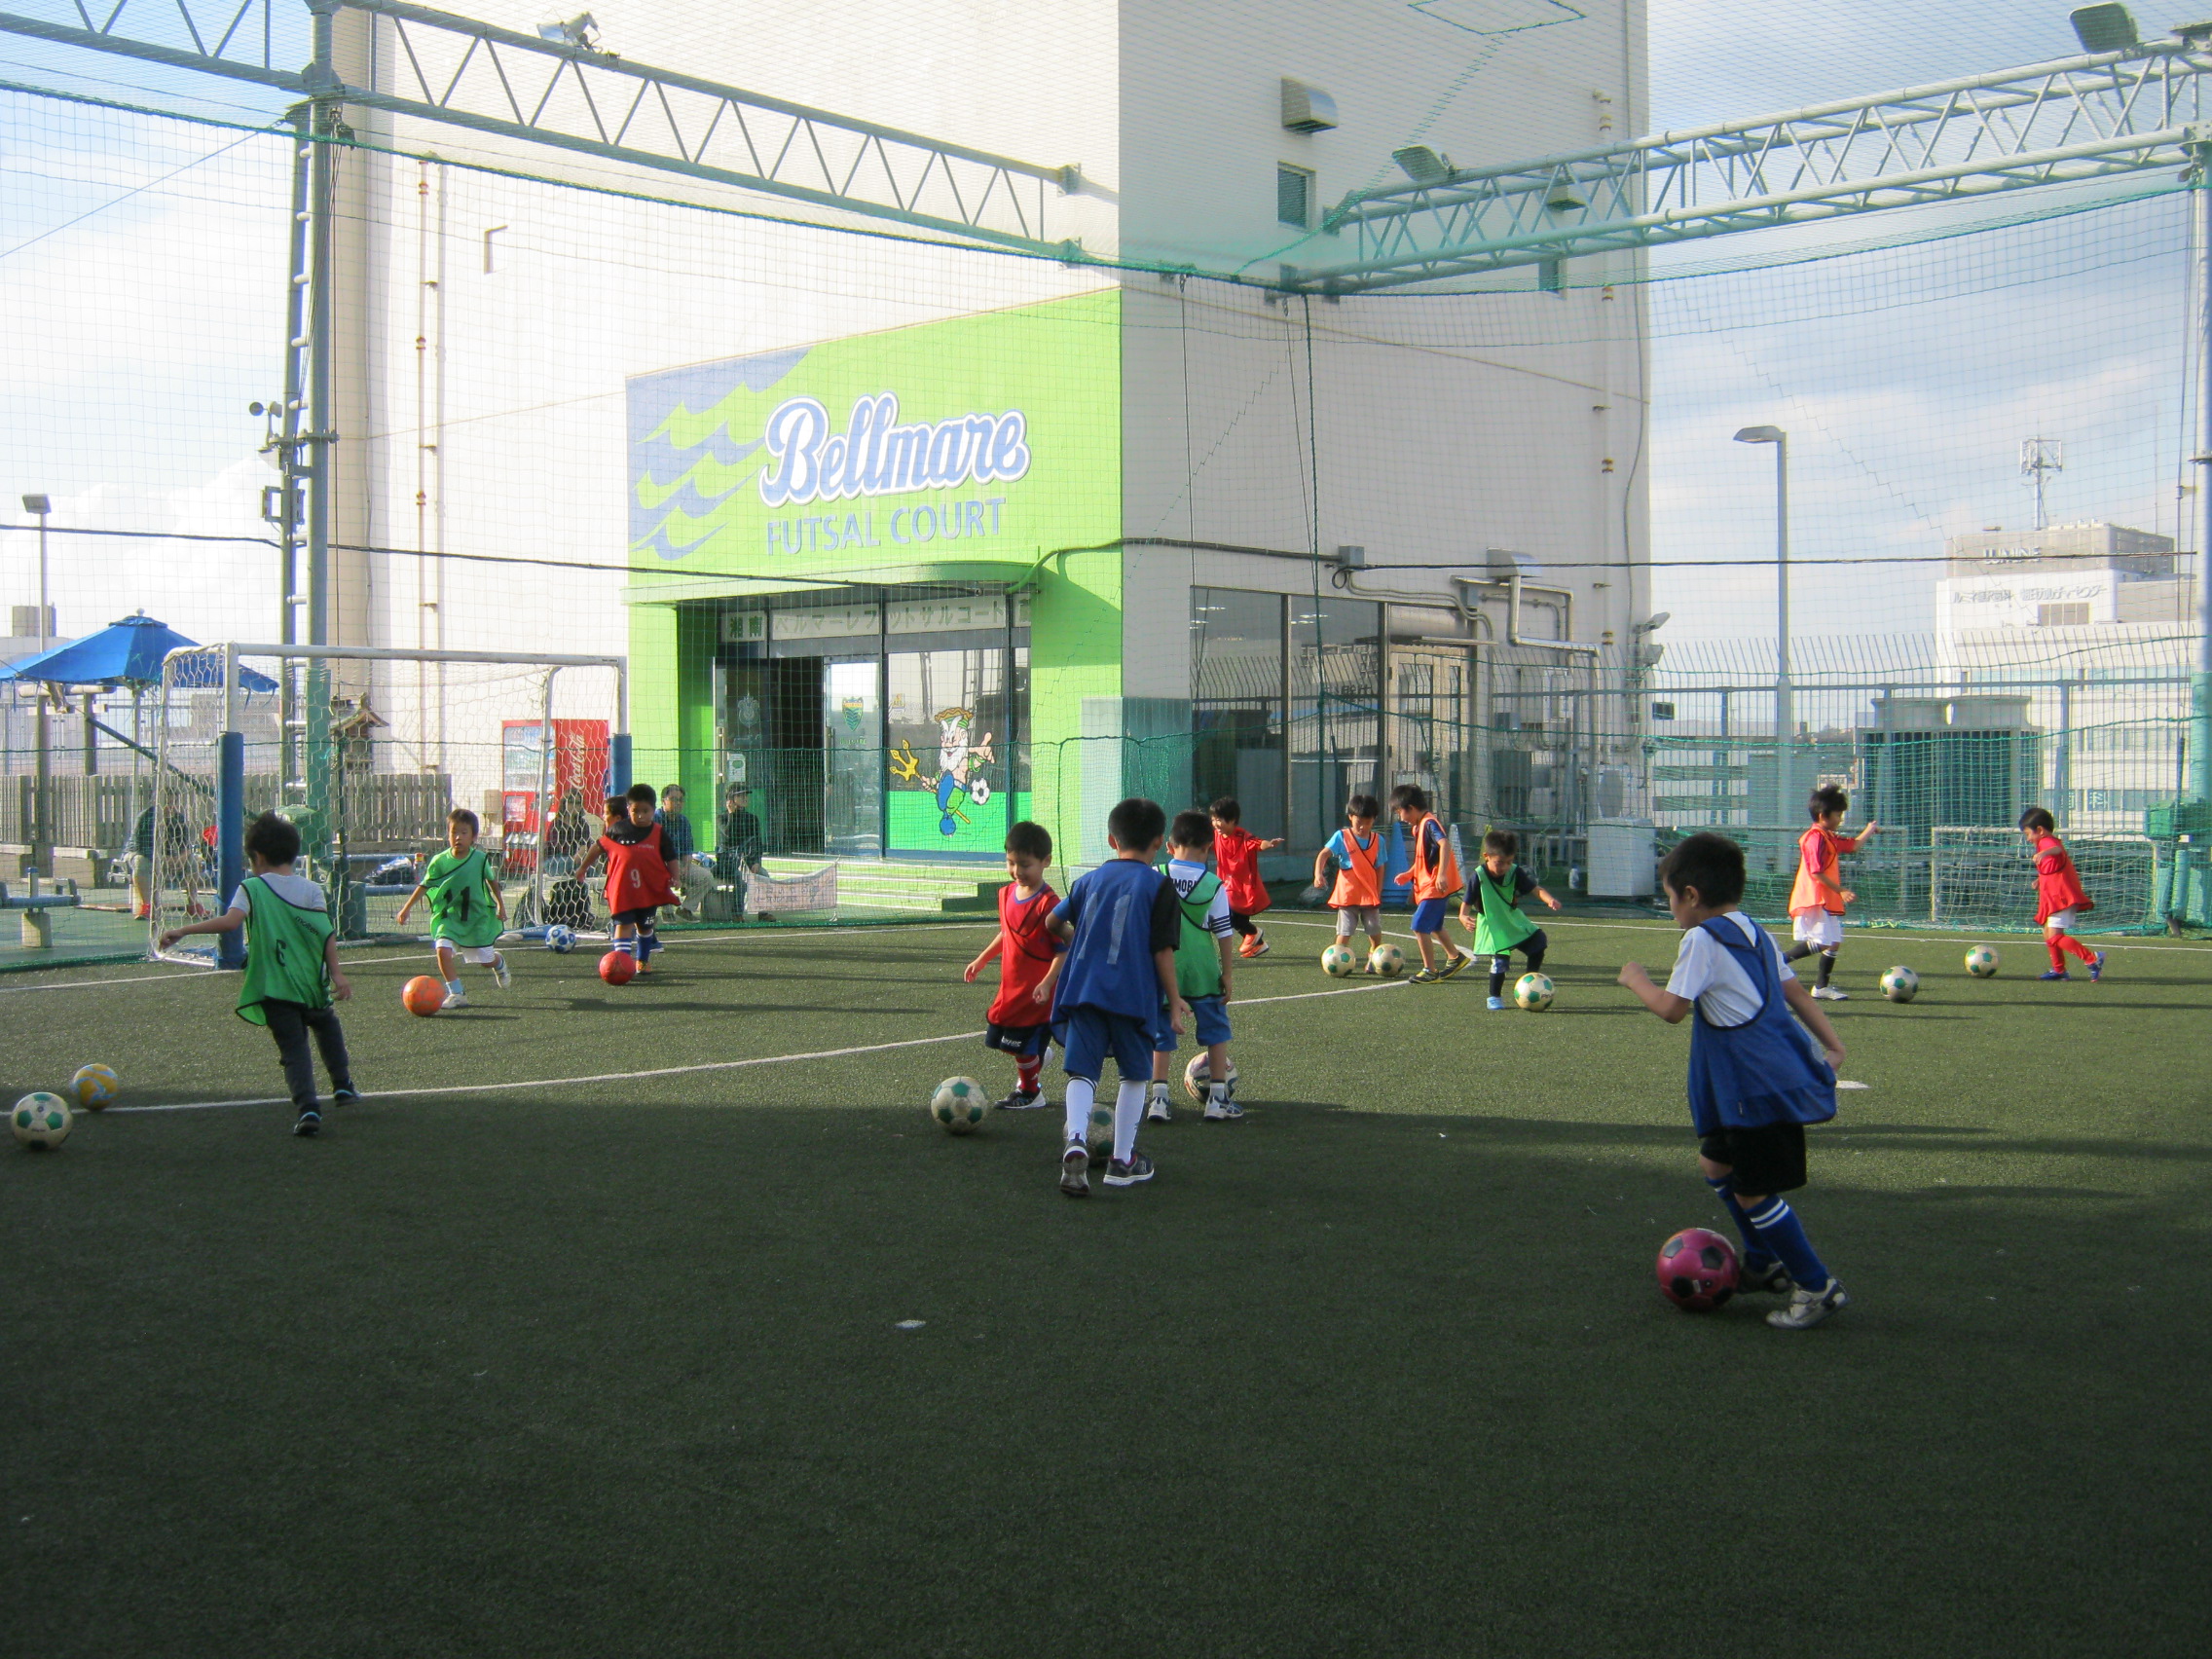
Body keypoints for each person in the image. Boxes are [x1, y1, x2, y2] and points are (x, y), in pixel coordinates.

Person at [1617, 831, 1850, 1331]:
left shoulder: (1701, 939)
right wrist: (1834, 1045)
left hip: (1753, 1090)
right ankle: (1763, 1260)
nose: (1671, 909)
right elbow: (1796, 993)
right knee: (1716, 1164)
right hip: (1760, 1084)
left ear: (1691, 895)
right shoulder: (1756, 931)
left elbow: (1672, 1010)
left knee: (1753, 1193)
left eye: (1670, 898)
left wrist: (1637, 981)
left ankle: (1816, 1286)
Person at [157, 811, 356, 1137]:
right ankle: (342, 1084)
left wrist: (184, 930)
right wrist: (337, 974)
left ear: (258, 858)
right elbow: (325, 934)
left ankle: (308, 1108)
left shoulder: (252, 888)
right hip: (311, 983)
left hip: (275, 987)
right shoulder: (312, 890)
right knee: (327, 1027)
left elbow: (229, 923)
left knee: (294, 1050)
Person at [1044, 796, 1184, 1198]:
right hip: (1131, 995)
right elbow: (1162, 951)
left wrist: (1078, 937)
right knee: (1135, 1074)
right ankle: (1122, 1161)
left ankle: (1075, 1139)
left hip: (1084, 990)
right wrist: (1174, 1001)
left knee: (1082, 1072)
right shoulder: (1159, 886)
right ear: (1158, 843)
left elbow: (1052, 921)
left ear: (1111, 840)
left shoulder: (1088, 881)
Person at [962, 820, 1062, 1111]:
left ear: (1045, 862)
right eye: (1011, 863)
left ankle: (1031, 1093)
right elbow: (1006, 933)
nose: (1017, 871)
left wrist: (1047, 982)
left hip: (1037, 994)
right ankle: (1037, 1057)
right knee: (1002, 1041)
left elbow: (1063, 950)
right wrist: (982, 959)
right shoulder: (1006, 894)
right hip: (1011, 989)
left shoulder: (1049, 904)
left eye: (1025, 865)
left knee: (1020, 1044)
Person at [1149, 810, 1238, 1124]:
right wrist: (1227, 973)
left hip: (1164, 971)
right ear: (1208, 847)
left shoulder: (1155, 875)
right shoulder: (1213, 884)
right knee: (1216, 1030)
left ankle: (1159, 1099)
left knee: (1161, 1033)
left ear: (1169, 846)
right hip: (1203, 971)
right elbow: (1224, 933)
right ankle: (1217, 1099)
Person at [392, 807, 509, 1012]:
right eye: (454, 832)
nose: (458, 837)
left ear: (473, 837)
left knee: (486, 961)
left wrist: (500, 904)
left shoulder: (479, 859)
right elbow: (425, 885)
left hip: (475, 919)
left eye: (464, 832)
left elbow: (492, 881)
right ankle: (457, 993)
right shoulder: (440, 861)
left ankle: (498, 963)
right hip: (448, 917)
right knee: (442, 949)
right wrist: (406, 908)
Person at [1784, 785, 1881, 1002]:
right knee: (1823, 942)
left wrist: (1870, 829)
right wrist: (1842, 890)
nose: (1840, 819)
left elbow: (1853, 846)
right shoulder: (1814, 838)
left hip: (1826, 898)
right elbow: (1816, 872)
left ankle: (1821, 988)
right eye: (1838, 815)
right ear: (1823, 815)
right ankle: (1776, 963)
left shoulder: (1827, 836)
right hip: (1814, 898)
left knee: (1833, 941)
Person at [575, 784, 678, 971]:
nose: (640, 815)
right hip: (622, 891)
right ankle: (620, 963)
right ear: (628, 809)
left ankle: (642, 961)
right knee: (623, 924)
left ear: (653, 810)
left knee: (645, 928)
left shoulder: (659, 833)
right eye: (635, 811)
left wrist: (675, 877)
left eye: (645, 811)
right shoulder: (618, 830)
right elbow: (598, 847)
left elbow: (671, 857)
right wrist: (583, 868)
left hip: (648, 892)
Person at [1460, 829, 1562, 1011]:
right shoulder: (1479, 876)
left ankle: (1531, 981)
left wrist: (1549, 900)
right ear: (1486, 857)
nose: (1505, 867)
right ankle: (1494, 997)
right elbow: (1467, 901)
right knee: (1500, 961)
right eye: (1500, 863)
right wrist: (1463, 916)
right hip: (1493, 926)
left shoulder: (1515, 872)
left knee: (1538, 941)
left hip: (1512, 919)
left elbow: (1535, 889)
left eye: (1509, 862)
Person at [1389, 784, 1466, 983]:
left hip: (1435, 886)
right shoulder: (1419, 827)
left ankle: (1430, 970)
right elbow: (1425, 858)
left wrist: (1441, 875)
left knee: (1419, 925)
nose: (1401, 818)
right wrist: (1409, 873)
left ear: (1411, 808)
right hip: (1429, 886)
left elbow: (1444, 844)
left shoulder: (1429, 823)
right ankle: (1455, 956)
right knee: (1435, 925)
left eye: (1399, 812)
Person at [2020, 806, 2104, 981]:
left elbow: (2057, 849)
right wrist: (2040, 880)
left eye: (2028, 834)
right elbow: (2053, 870)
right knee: (2048, 934)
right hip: (2053, 898)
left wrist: (2044, 852)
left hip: (2061, 898)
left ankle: (2092, 958)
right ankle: (2059, 970)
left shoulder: (2047, 842)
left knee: (2055, 936)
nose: (2028, 839)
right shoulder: (2042, 844)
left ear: (2040, 830)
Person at [1312, 793, 1386, 967]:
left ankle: (1374, 955)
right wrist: (1318, 874)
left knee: (1374, 930)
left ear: (1374, 819)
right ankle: (1336, 961)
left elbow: (1380, 867)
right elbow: (1324, 854)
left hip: (1369, 895)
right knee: (1345, 931)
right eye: (1358, 822)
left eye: (1367, 822)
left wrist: (1378, 891)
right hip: (1347, 895)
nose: (1362, 827)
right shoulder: (1342, 836)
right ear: (1350, 817)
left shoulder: (1378, 840)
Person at [1208, 796, 1283, 959]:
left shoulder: (1242, 837)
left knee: (1235, 918)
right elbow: (1203, 845)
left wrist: (1269, 844)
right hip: (1226, 885)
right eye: (1213, 819)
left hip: (1243, 888)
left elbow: (1258, 843)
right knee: (1229, 917)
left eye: (1219, 819)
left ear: (1232, 820)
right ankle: (1259, 943)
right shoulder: (1215, 836)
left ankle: (1254, 932)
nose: (1215, 823)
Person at [655, 784, 713, 918]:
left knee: (706, 877)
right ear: (664, 801)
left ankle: (686, 909)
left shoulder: (683, 821)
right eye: (673, 799)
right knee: (660, 873)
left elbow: (687, 849)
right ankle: (667, 911)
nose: (678, 803)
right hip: (659, 864)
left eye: (681, 800)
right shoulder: (655, 819)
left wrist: (686, 867)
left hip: (680, 864)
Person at [716, 783, 765, 919]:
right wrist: (731, 814)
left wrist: (756, 862)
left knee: (763, 875)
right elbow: (728, 835)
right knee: (741, 878)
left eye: (746, 795)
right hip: (728, 862)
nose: (745, 798)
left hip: (747, 860)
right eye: (740, 795)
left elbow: (758, 843)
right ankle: (737, 914)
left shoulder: (752, 819)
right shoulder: (722, 818)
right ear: (731, 799)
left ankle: (763, 912)